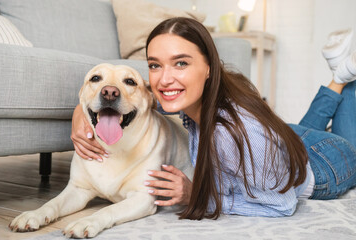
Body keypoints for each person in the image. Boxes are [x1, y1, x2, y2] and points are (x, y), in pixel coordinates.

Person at [71, 18, 356, 220]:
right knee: (301, 130)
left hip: (325, 164)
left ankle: (343, 81)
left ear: (208, 67)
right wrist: (81, 117)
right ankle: (340, 78)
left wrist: (198, 195)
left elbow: (283, 204)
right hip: (286, 138)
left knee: (349, 145)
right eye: (155, 65)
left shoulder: (230, 134)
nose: (165, 78)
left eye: (181, 63)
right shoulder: (191, 98)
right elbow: (126, 99)